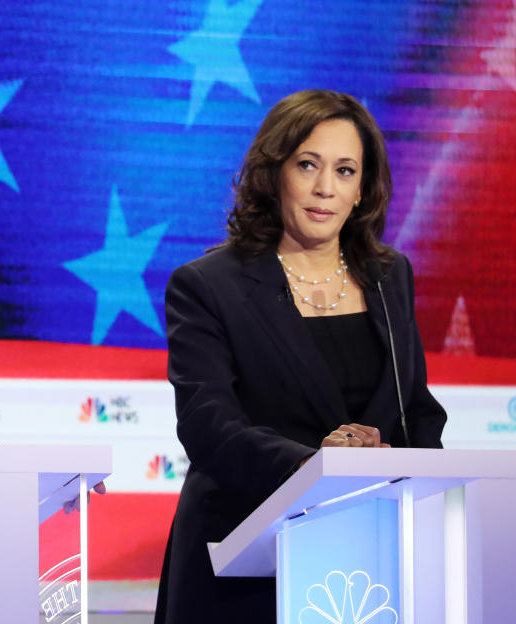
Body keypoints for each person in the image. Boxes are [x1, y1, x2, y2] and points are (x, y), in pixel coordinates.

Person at [153, 90, 446, 623]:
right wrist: (320, 467)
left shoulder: (389, 277)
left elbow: (417, 412)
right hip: (241, 565)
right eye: (307, 164)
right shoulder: (207, 285)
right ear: (274, 174)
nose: (324, 188)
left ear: (362, 189)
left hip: (369, 564)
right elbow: (208, 426)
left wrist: (434, 508)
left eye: (345, 170)